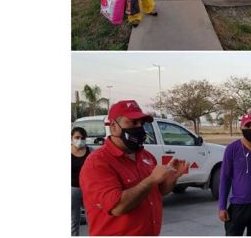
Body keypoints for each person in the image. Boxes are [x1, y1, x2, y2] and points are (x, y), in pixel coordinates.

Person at [80, 100, 189, 236]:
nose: (139, 128)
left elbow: (157, 193)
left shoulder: (146, 156)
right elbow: (117, 207)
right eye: (133, 122)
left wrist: (171, 179)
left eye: (141, 124)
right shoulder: (97, 163)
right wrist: (151, 180)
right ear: (114, 126)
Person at [71, 127, 91, 236]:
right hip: (73, 190)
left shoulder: (90, 152)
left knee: (91, 218)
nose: (79, 140)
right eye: (77, 137)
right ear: (71, 138)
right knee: (74, 220)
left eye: (82, 138)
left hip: (88, 190)